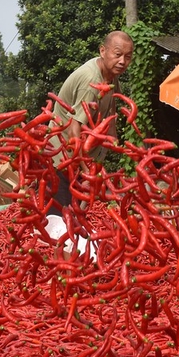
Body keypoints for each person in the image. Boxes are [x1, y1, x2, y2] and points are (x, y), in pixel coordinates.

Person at [43, 30, 134, 257]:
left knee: (74, 218)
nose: (123, 61)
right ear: (102, 51)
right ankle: (56, 276)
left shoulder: (110, 76)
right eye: (117, 54)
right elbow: (75, 130)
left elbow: (112, 104)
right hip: (63, 159)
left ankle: (70, 268)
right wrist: (86, 170)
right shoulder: (91, 80)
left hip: (80, 159)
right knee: (59, 223)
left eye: (128, 57)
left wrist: (112, 139)